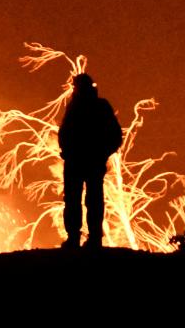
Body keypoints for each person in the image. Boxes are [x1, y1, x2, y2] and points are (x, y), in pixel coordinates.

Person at [58, 73, 123, 249]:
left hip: (82, 161)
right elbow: (116, 136)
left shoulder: (86, 107)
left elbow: (115, 135)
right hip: (83, 161)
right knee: (83, 199)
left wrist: (101, 153)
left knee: (82, 200)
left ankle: (83, 238)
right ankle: (86, 238)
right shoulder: (95, 106)